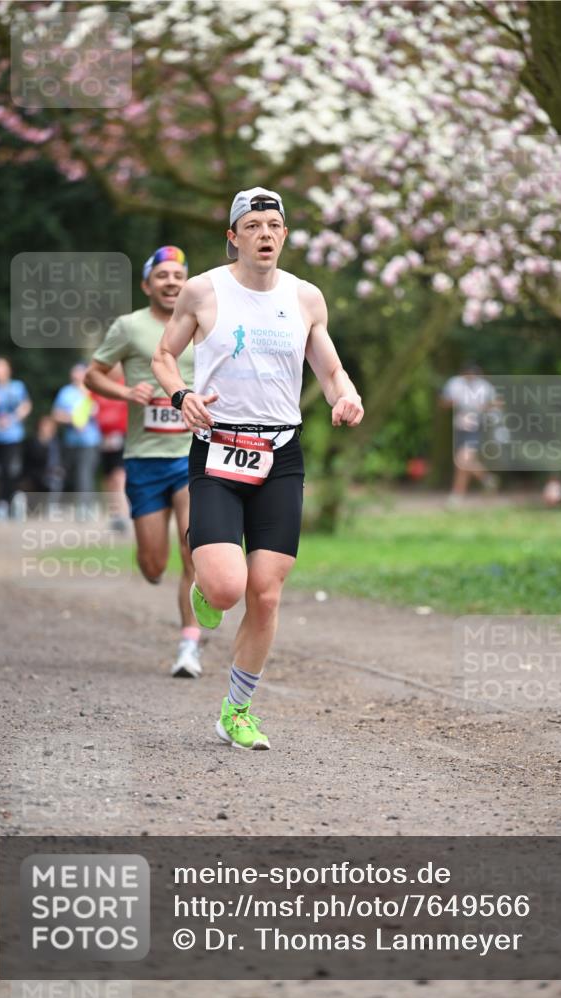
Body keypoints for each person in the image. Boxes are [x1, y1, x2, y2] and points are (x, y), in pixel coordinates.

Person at [151, 187, 364, 750]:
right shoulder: (203, 291)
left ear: (285, 235)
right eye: (253, 225)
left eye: (274, 225)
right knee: (226, 590)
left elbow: (331, 368)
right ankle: (206, 580)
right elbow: (163, 356)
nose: (265, 234)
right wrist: (181, 397)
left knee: (265, 594)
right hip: (219, 448)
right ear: (233, 236)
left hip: (280, 456)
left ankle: (237, 710)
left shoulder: (306, 298)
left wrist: (346, 395)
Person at [85, 246, 202, 679]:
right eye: (163, 276)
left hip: (193, 455)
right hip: (144, 459)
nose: (171, 282)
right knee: (154, 567)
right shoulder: (129, 327)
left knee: (194, 552)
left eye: (178, 275)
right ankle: (150, 557)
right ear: (146, 284)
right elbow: (92, 374)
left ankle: (189, 645)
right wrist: (124, 393)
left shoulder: (203, 322)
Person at [439, 361, 500, 506]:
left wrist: (484, 407)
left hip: (476, 426)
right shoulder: (454, 384)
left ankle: (456, 496)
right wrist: (451, 402)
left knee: (462, 460)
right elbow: (443, 403)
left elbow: (496, 403)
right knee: (463, 462)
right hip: (460, 426)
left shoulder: (484, 387)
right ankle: (486, 479)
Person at [0, 357, 32, 520]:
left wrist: (12, 418)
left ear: (7, 370)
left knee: (10, 470)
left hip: (13, 437)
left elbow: (26, 406)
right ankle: (12, 501)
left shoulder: (17, 387)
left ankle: (3, 505)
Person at [52, 362, 101, 513]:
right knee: (71, 474)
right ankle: (72, 504)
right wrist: (73, 419)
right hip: (71, 441)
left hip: (91, 441)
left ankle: (85, 507)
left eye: (80, 372)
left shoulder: (93, 392)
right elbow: (56, 415)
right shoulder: (65, 392)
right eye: (74, 372)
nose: (76, 375)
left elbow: (104, 413)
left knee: (84, 473)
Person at [91, 364, 130, 532]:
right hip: (102, 440)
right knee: (107, 479)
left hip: (121, 437)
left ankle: (123, 514)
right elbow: (89, 408)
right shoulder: (98, 388)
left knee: (119, 476)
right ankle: (114, 514)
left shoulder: (125, 385)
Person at [22, 414, 64, 499]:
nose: (45, 428)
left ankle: (52, 505)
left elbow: (61, 462)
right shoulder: (32, 443)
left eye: (48, 426)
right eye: (44, 425)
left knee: (56, 478)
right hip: (36, 473)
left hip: (52, 474)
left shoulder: (57, 444)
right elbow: (28, 462)